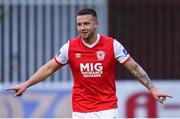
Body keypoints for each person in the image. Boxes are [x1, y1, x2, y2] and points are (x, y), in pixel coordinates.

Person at [6, 8, 172, 118]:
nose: (82, 28)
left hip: (107, 108)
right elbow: (49, 67)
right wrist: (27, 84)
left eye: (86, 23)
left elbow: (134, 67)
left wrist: (153, 88)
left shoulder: (112, 45)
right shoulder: (70, 47)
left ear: (96, 24)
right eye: (79, 24)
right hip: (81, 109)